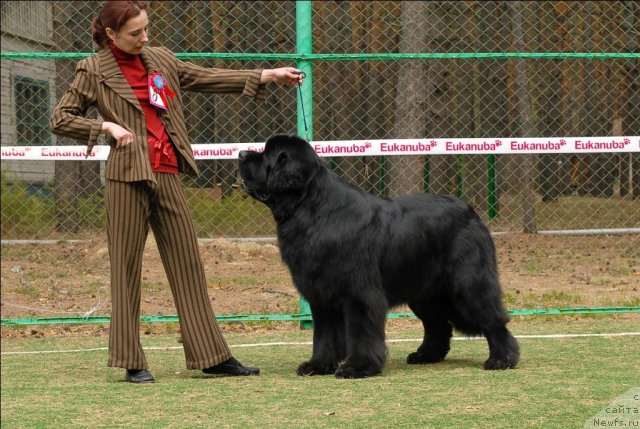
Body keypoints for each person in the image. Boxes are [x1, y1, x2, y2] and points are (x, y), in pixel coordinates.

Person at [50, 0, 303, 383]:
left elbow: (205, 77)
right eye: (135, 33)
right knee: (126, 268)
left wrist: (268, 75)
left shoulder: (161, 59)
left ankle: (212, 356)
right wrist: (105, 128)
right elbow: (60, 117)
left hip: (167, 172)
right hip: (125, 177)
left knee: (188, 265)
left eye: (146, 29)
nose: (144, 38)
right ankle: (132, 360)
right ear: (111, 34)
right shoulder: (93, 69)